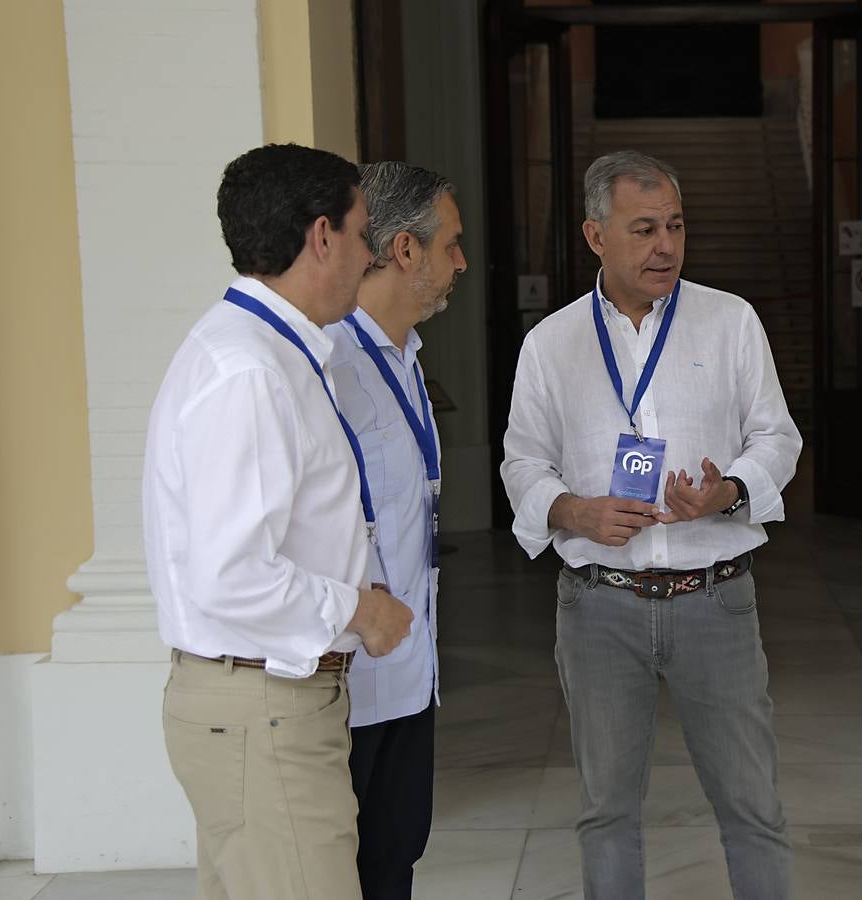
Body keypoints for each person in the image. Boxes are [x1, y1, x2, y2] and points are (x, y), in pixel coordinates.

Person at [500, 150, 801, 900]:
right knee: (605, 810)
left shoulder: (730, 321)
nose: (665, 245)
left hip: (715, 599)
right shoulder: (552, 343)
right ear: (595, 236)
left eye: (674, 225)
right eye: (643, 229)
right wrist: (575, 510)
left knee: (751, 804)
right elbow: (521, 464)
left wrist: (727, 491)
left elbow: (778, 438)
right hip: (599, 604)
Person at [143, 143, 414, 900]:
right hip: (263, 712)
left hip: (263, 706)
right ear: (321, 236)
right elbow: (231, 576)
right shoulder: (251, 373)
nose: (369, 256)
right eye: (363, 234)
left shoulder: (265, 353)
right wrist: (360, 608)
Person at [323, 161, 466, 900]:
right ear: (405, 250)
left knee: (395, 857)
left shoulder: (406, 359)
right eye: (450, 244)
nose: (460, 264)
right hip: (344, 682)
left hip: (409, 673)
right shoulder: (328, 362)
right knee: (341, 874)